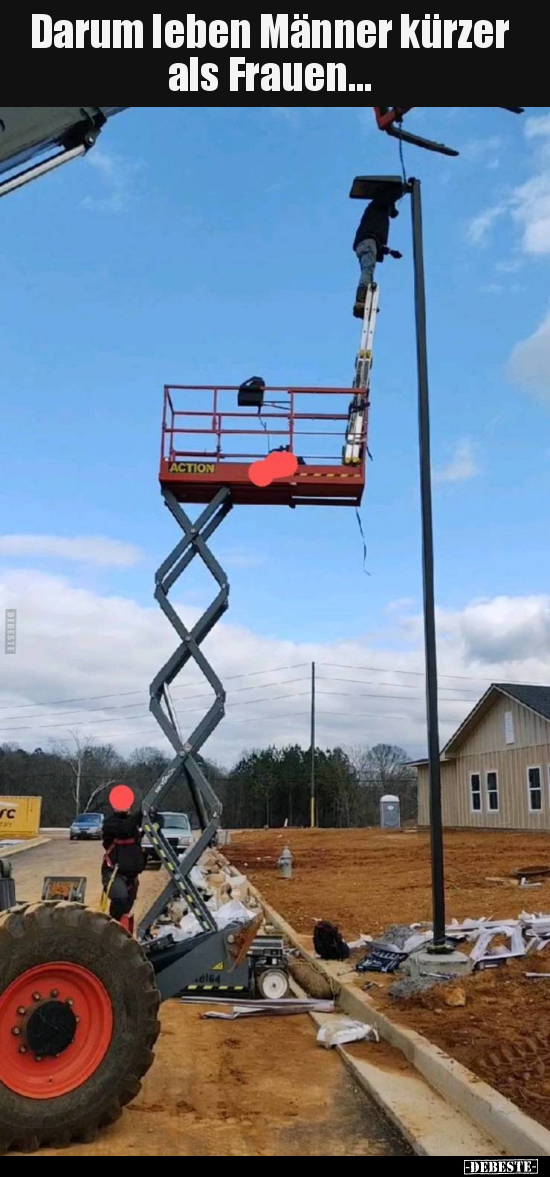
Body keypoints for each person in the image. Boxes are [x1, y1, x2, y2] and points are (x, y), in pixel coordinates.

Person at [353, 196, 402, 318]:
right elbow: (388, 194)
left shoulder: (375, 216)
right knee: (367, 270)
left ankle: (364, 302)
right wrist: (405, 188)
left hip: (365, 243)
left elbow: (378, 241)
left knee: (368, 272)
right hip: (368, 243)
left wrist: (390, 252)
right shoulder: (378, 205)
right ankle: (360, 302)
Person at [101, 797, 146, 924]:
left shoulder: (135, 823)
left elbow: (158, 823)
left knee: (126, 908)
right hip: (113, 873)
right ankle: (110, 927)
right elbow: (124, 829)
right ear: (113, 807)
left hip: (132, 877)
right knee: (120, 899)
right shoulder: (110, 824)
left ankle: (120, 933)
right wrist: (140, 814)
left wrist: (152, 814)